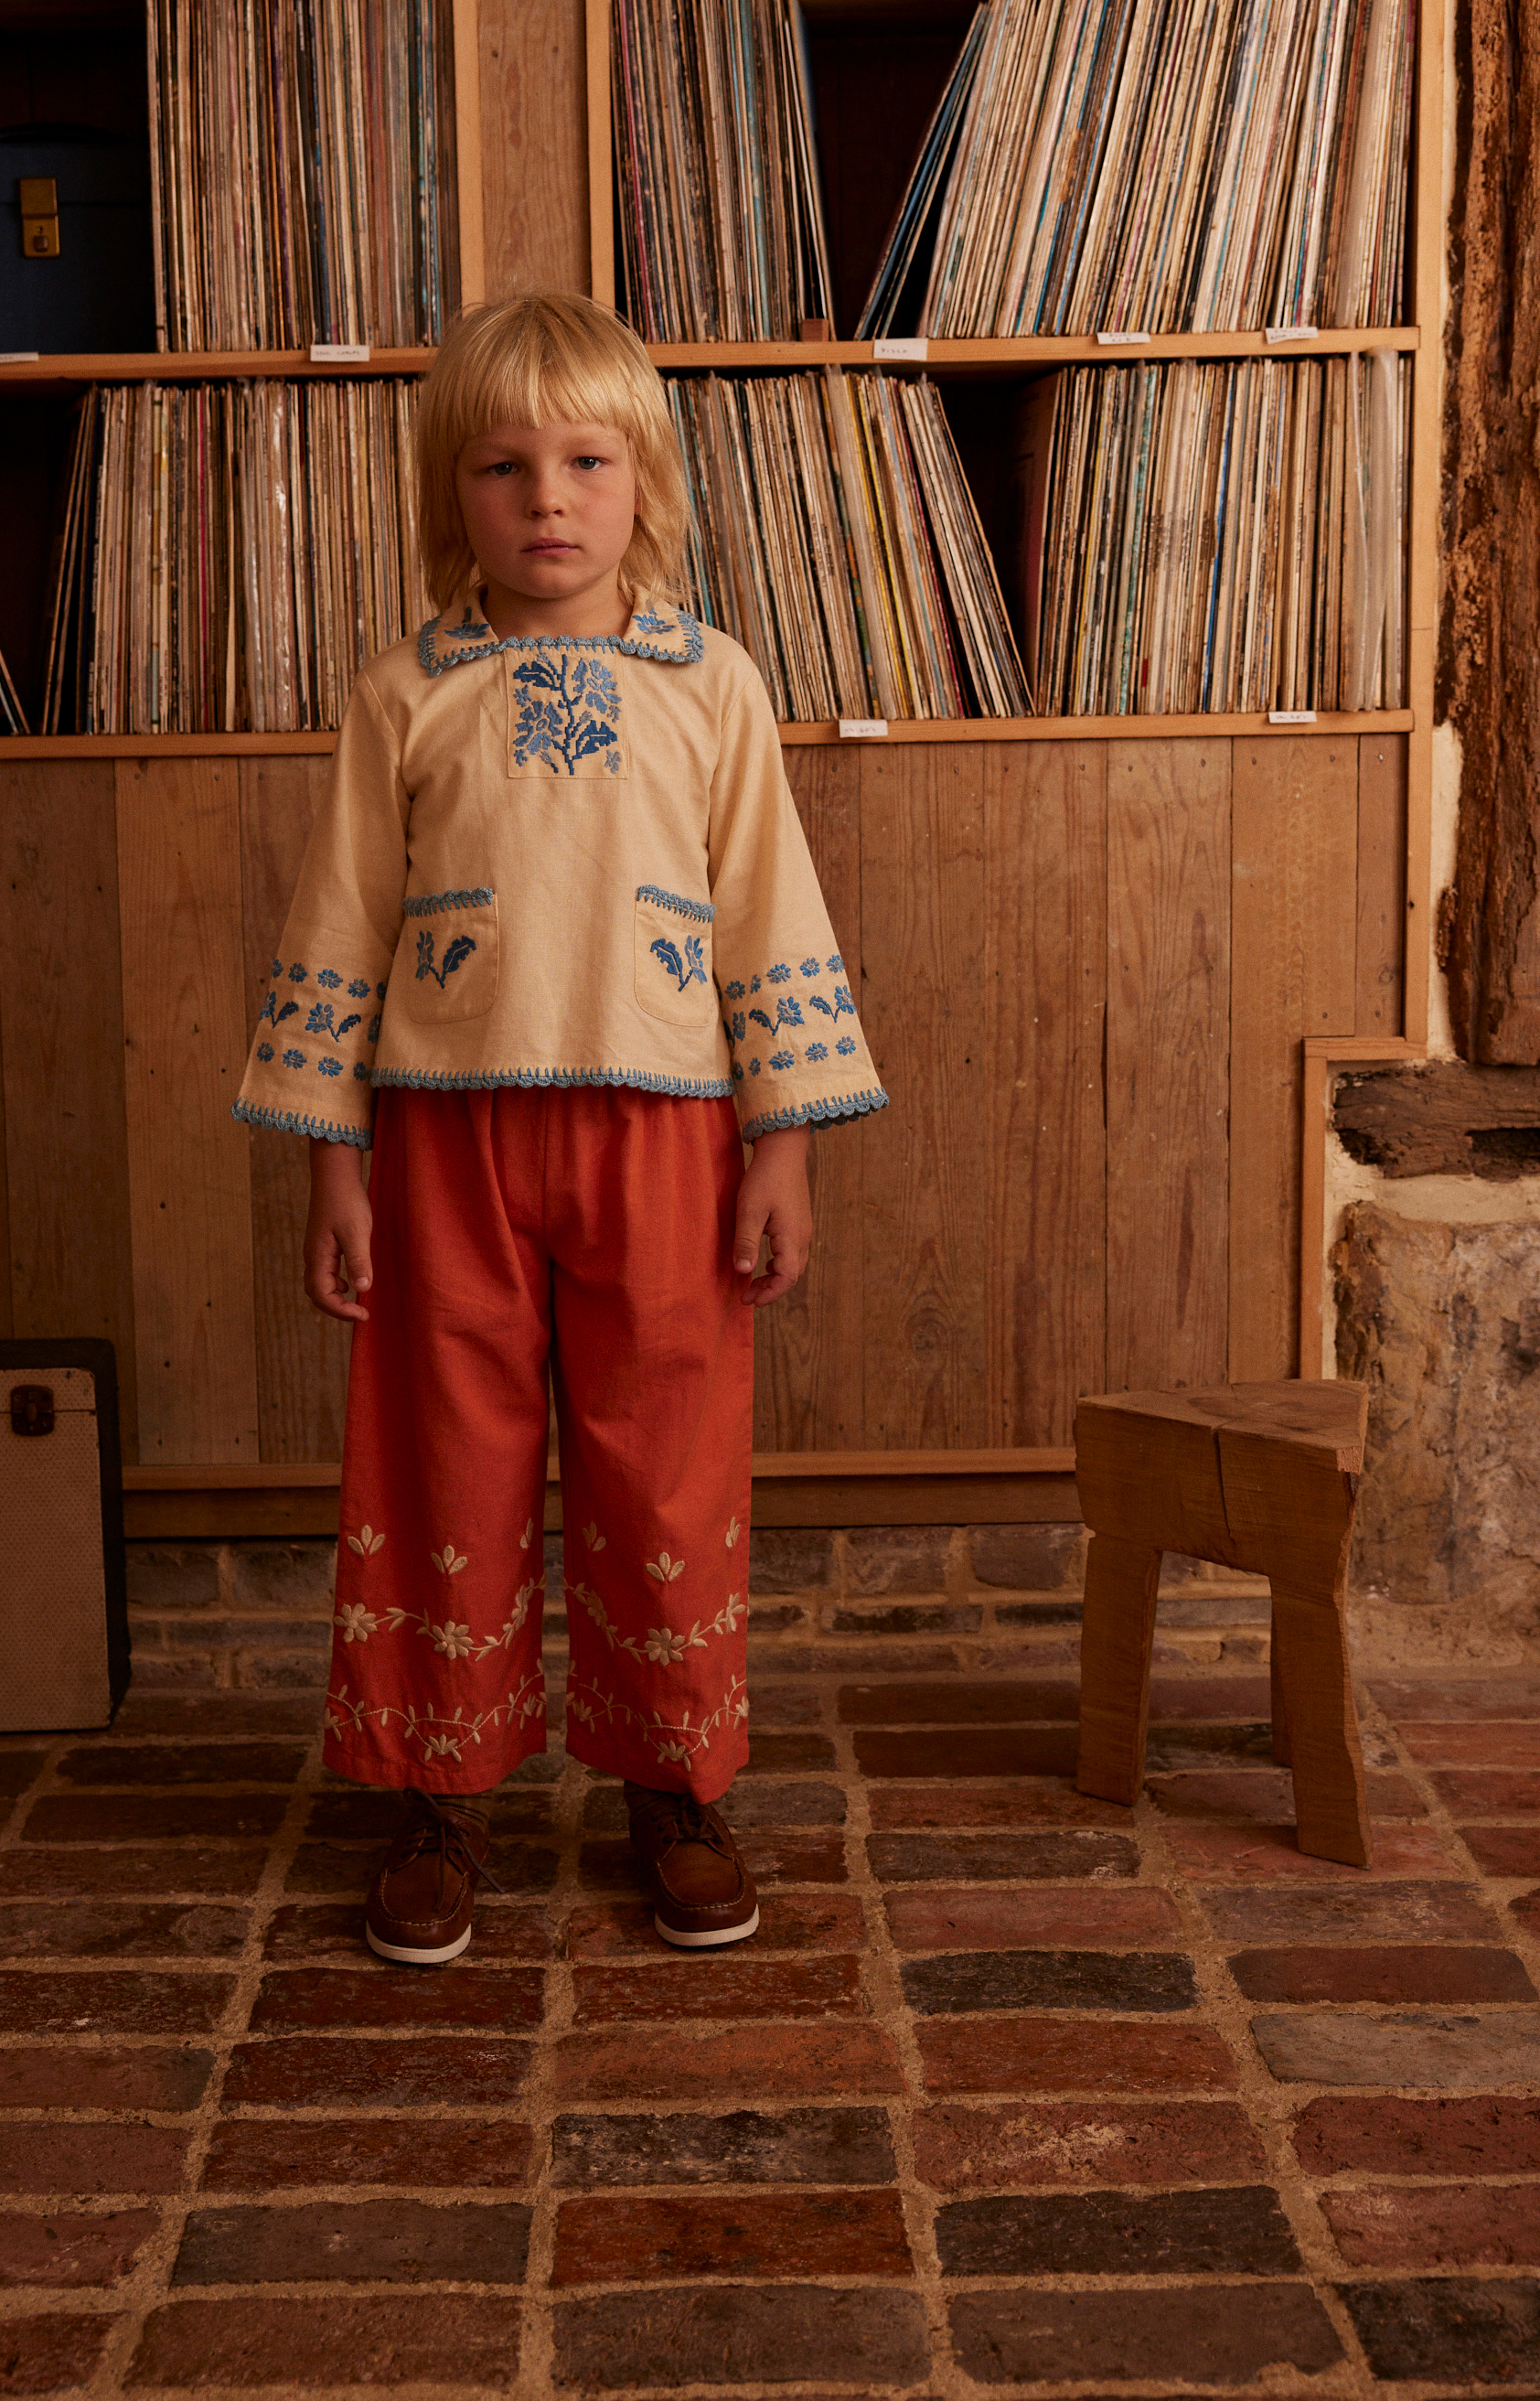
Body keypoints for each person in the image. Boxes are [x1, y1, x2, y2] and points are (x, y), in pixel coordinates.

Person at [233, 293, 886, 1965]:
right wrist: (332, 1163)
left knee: (662, 1462)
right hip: (441, 1137)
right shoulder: (404, 693)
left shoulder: (712, 684)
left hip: (667, 1135)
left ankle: (673, 1785)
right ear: (448, 491)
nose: (547, 499)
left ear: (642, 477)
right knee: (441, 1459)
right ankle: (438, 1792)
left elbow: (769, 909)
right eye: (503, 466)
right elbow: (340, 923)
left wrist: (785, 1141)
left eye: (587, 461)